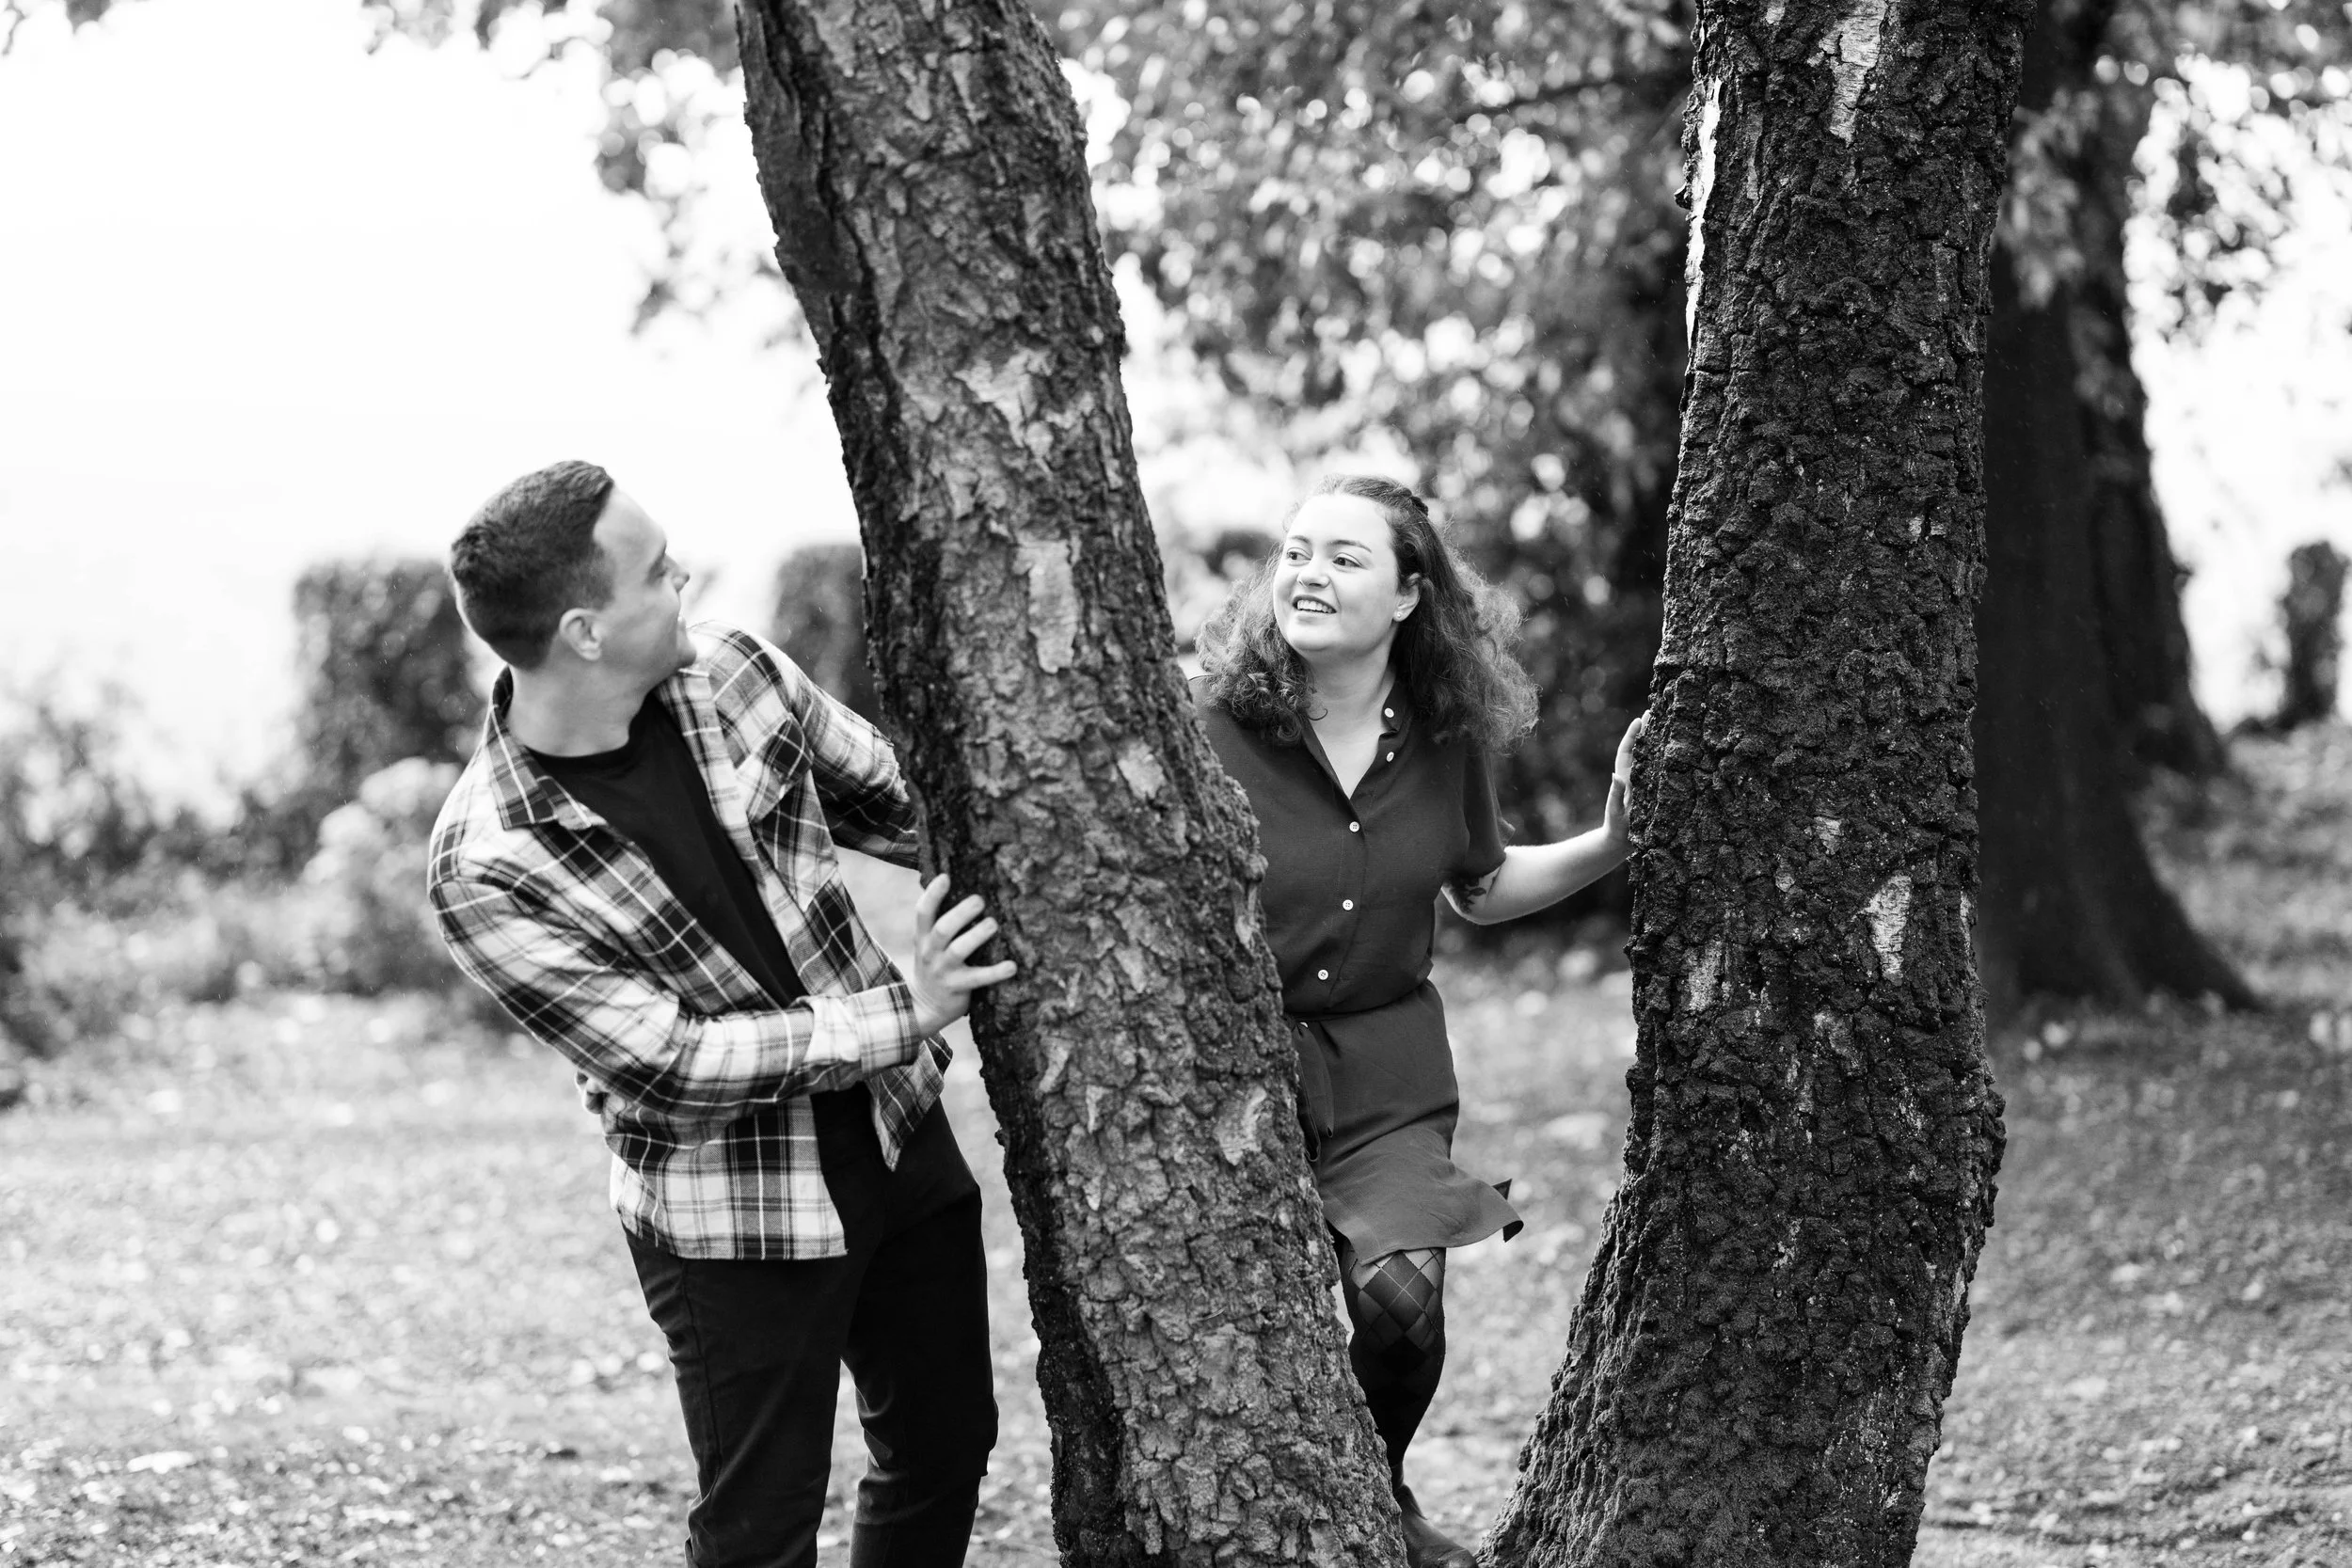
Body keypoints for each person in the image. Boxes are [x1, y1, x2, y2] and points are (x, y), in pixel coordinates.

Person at [427, 459, 1016, 1568]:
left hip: (896, 1139)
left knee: (945, 1442)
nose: (685, 575)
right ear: (585, 631)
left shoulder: (738, 676)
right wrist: (908, 1011)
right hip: (729, 1214)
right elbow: (672, 1064)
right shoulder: (486, 863)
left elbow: (903, 805)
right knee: (758, 1529)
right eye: (656, 572)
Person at [1193, 474, 1641, 1568]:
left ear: (1406, 594)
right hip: (1226, 1070)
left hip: (1385, 1069)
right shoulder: (1202, 724)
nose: (1307, 573)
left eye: (1345, 557)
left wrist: (1612, 841)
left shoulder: (1441, 740)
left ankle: (1375, 1492)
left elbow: (1478, 886)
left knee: (1400, 1306)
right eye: (1296, 551)